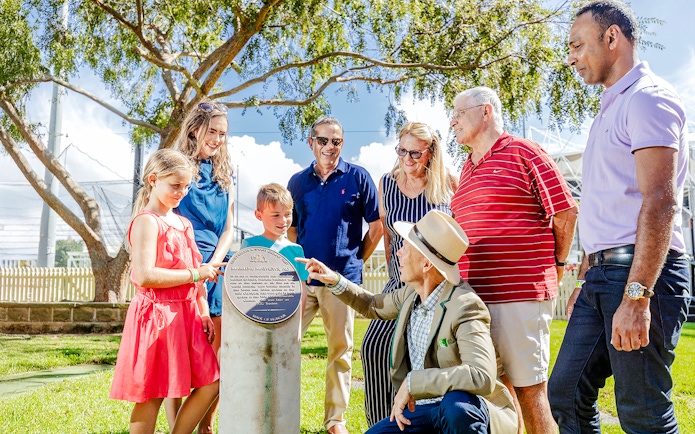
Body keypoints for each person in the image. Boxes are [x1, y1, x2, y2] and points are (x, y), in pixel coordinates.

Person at [548, 2, 691, 432]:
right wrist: (586, 277)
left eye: (577, 45)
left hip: (643, 276)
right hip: (601, 277)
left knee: (642, 412)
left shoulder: (648, 99)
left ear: (612, 38)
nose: (571, 57)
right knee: (566, 393)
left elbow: (661, 201)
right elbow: (609, 207)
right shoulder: (610, 108)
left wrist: (637, 296)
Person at [297, 210, 518, 434]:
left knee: (457, 407)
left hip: (463, 412)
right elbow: (372, 304)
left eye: (405, 248)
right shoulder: (410, 295)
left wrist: (415, 382)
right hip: (422, 411)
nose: (398, 254)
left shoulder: (466, 306)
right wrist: (334, 279)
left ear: (426, 265)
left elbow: (481, 375)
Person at [449, 86, 578, 434]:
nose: (452, 122)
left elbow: (565, 212)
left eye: (459, 113)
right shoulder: (467, 169)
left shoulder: (524, 151)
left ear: (485, 112)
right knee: (500, 397)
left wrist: (558, 264)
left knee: (530, 395)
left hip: (520, 295)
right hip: (477, 300)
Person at [110, 149, 222, 434]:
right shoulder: (146, 221)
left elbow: (195, 276)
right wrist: (196, 274)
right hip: (156, 316)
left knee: (211, 381)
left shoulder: (184, 224)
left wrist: (204, 311)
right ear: (153, 180)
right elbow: (146, 275)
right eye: (175, 185)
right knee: (153, 393)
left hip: (187, 315)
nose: (181, 192)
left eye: (186, 186)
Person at [287, 116, 384, 434]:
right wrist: (302, 262)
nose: (330, 147)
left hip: (341, 280)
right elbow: (292, 228)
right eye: (324, 140)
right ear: (311, 142)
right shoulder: (297, 182)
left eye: (337, 141)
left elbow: (377, 225)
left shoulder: (358, 177)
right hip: (303, 280)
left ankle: (335, 421)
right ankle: (280, 412)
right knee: (284, 343)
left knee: (340, 351)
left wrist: (356, 259)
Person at [362, 121, 457, 426]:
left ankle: (426, 422)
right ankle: (381, 423)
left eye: (415, 153)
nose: (407, 159)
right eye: (401, 151)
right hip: (401, 280)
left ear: (431, 153)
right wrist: (396, 274)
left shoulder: (448, 184)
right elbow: (389, 236)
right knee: (374, 347)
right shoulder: (387, 184)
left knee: (427, 356)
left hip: (437, 284)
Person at [169, 100, 235, 433]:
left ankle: (206, 426)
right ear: (195, 128)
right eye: (213, 131)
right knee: (179, 360)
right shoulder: (177, 166)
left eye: (223, 133)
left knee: (216, 357)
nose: (218, 139)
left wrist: (214, 262)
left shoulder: (226, 172)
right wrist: (197, 267)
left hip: (218, 268)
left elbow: (229, 228)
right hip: (183, 266)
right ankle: (174, 427)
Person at [241, 183, 309, 313]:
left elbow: (301, 290)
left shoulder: (296, 250)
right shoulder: (249, 245)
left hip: (286, 315)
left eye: (288, 214)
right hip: (256, 314)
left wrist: (298, 323)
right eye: (276, 215)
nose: (283, 220)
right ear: (258, 215)